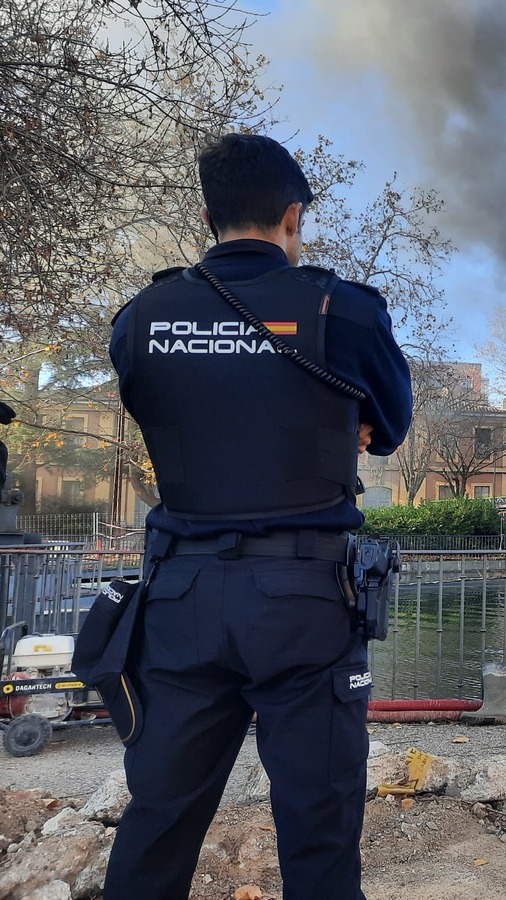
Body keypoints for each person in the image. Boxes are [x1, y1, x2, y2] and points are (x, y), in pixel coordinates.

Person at [104, 133, 412, 900]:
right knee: (319, 827)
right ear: (292, 215)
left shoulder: (142, 315)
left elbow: (166, 406)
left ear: (208, 215)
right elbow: (391, 426)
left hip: (179, 602)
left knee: (159, 819)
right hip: (304, 601)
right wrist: (348, 423)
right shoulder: (343, 310)